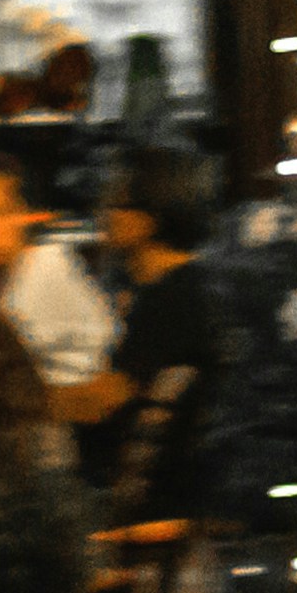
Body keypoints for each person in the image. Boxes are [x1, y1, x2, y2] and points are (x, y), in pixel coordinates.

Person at [0, 158, 120, 466]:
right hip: (39, 445)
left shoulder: (45, 272)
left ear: (23, 215)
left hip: (61, 457)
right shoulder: (0, 279)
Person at [89, 145, 227, 526]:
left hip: (164, 508)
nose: (106, 216)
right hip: (181, 500)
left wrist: (40, 399)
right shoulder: (188, 285)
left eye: (118, 205)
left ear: (151, 213)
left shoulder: (169, 296)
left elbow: (109, 397)